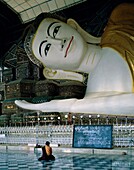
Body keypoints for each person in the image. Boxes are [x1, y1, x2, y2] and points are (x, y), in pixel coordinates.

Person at [15, 3, 134, 116]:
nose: (59, 43)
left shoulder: (121, 19)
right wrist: (70, 106)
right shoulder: (95, 97)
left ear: (73, 26)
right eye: (47, 48)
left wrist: (72, 106)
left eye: (56, 30)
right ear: (52, 71)